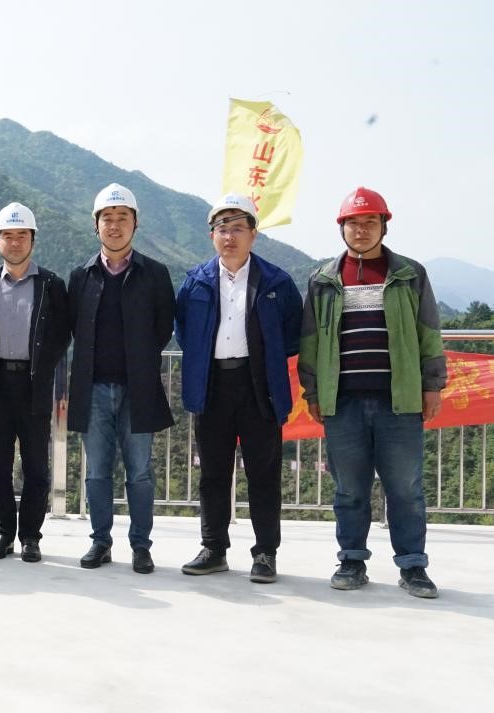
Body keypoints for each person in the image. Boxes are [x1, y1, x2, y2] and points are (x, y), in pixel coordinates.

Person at [298, 187, 446, 598]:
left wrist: (432, 385)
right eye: (353, 223)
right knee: (349, 489)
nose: (361, 230)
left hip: (399, 401)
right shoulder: (323, 280)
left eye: (369, 222)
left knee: (405, 489)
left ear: (383, 226)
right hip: (342, 402)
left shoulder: (409, 274)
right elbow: (310, 341)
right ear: (341, 228)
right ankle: (351, 560)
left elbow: (429, 333)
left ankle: (413, 566)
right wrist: (313, 392)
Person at [174, 194, 302, 583]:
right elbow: (184, 332)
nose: (229, 236)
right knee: (213, 472)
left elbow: (292, 335)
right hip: (212, 383)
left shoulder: (276, 282)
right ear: (212, 235)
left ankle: (265, 553)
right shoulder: (196, 281)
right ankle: (213, 548)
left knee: (263, 473)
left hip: (258, 385)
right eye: (222, 229)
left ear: (253, 234)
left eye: (238, 229)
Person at [67, 183, 174, 574]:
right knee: (96, 471)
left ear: (135, 224)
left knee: (139, 472)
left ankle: (141, 545)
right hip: (92, 388)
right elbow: (74, 328)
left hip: (138, 389)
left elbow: (163, 327)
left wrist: (139, 362)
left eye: (122, 218)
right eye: (107, 219)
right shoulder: (81, 276)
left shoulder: (155, 274)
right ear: (96, 225)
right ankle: (101, 541)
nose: (114, 226)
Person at [0, 202, 70, 562]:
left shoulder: (51, 285)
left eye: (22, 236)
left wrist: (45, 369)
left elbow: (62, 334)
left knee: (36, 467)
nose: (14, 242)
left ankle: (31, 536)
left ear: (32, 239)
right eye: (8, 236)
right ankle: (3, 534)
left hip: (34, 384)